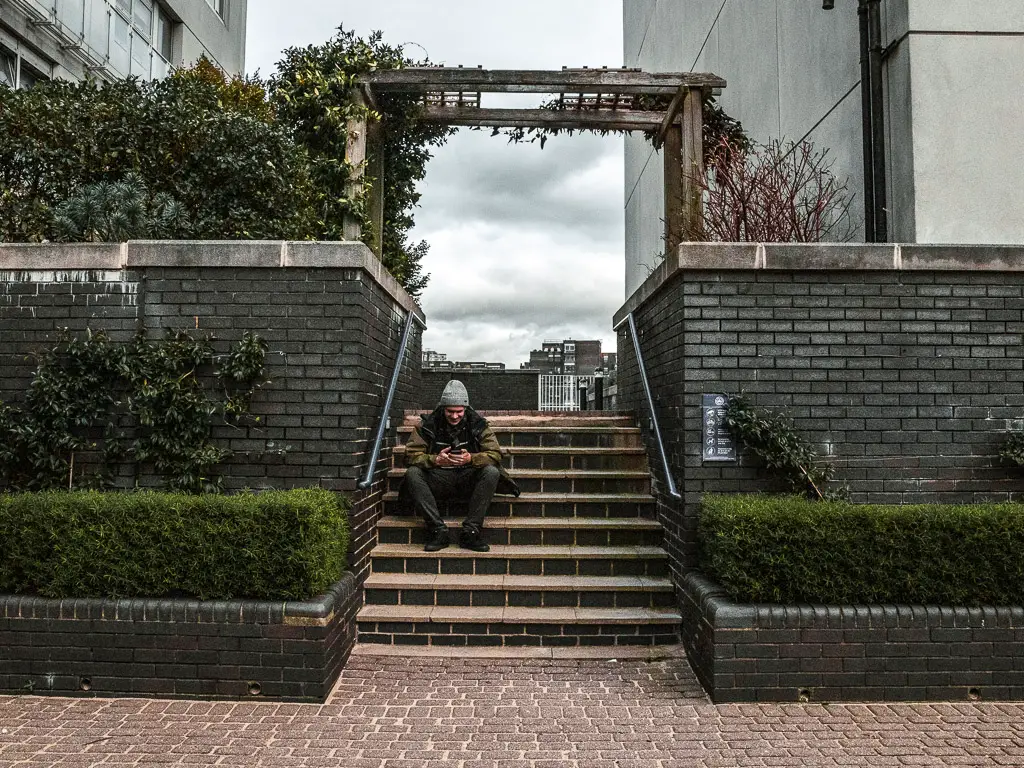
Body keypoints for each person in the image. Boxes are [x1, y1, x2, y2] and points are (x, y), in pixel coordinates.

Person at [400, 380, 519, 552]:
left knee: (491, 472)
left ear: (466, 409)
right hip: (438, 479)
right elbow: (410, 456)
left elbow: (495, 454)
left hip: (468, 478)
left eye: (459, 412)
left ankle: (471, 531)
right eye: (450, 411)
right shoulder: (426, 425)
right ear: (442, 408)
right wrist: (435, 460)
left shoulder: (478, 424)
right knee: (412, 473)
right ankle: (437, 530)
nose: (454, 416)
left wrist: (471, 459)